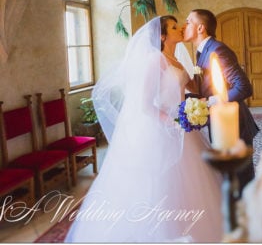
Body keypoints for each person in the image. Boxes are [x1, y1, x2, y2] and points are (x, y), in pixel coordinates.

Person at [65, 16, 222, 243]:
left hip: (183, 128)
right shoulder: (154, 60)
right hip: (163, 130)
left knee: (192, 185)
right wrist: (175, 121)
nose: (180, 29)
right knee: (162, 185)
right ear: (162, 35)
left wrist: (195, 104)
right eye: (174, 27)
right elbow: (145, 106)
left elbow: (192, 88)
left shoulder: (175, 58)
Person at [182, 9, 259, 191]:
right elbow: (206, 86)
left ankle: (246, 216)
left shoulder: (217, 50)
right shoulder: (202, 51)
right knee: (229, 178)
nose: (184, 25)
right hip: (221, 122)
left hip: (235, 124)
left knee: (241, 180)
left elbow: (243, 87)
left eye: (188, 21)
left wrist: (209, 103)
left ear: (200, 27)